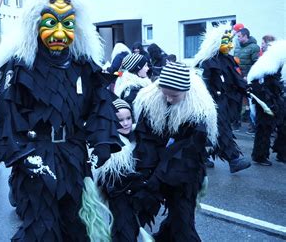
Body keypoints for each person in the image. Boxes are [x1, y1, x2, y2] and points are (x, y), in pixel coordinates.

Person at [0, 0, 122, 240]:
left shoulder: (83, 65)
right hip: (37, 158)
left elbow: (101, 102)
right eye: (50, 24)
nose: (59, 34)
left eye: (67, 25)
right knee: (42, 229)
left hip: (74, 158)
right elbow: (6, 114)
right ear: (36, 26)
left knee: (76, 228)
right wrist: (24, 155)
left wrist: (102, 140)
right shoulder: (21, 66)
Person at [133, 62, 217, 241]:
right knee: (138, 208)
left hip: (185, 171)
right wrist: (148, 173)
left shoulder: (197, 113)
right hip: (155, 165)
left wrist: (158, 176)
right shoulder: (151, 103)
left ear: (186, 92)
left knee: (182, 217)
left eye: (174, 95)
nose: (169, 99)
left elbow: (188, 152)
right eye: (165, 94)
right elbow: (145, 138)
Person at [193, 24, 251, 172]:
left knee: (211, 132)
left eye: (231, 40)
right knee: (220, 129)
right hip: (210, 102)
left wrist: (246, 89)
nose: (230, 44)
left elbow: (236, 79)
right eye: (226, 41)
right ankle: (234, 159)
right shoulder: (206, 62)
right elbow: (200, 83)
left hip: (225, 101)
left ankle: (202, 156)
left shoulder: (228, 60)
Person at [95, 98, 142, 241]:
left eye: (128, 118)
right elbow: (109, 180)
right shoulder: (110, 144)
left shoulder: (136, 138)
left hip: (133, 199)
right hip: (118, 200)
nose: (126, 123)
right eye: (120, 120)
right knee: (122, 231)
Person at [247, 40, 286, 165]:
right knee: (264, 127)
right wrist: (266, 104)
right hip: (265, 100)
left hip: (278, 98)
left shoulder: (279, 63)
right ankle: (259, 155)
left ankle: (282, 152)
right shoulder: (264, 66)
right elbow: (255, 85)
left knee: (284, 125)